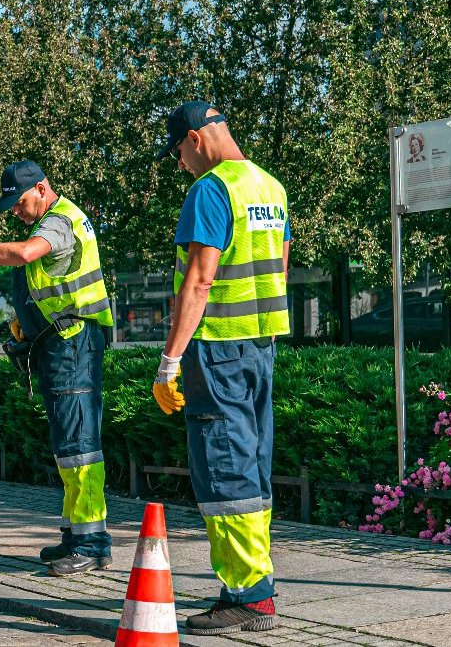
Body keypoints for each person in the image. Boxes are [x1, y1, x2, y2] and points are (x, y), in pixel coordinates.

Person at [153, 102, 290, 633]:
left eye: (179, 154)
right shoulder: (270, 187)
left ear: (195, 139)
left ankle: (249, 595)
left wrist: (170, 360)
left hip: (218, 349)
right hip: (260, 347)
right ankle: (254, 585)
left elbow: (200, 281)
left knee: (224, 464)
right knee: (253, 462)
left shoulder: (211, 190)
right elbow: (277, 267)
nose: (181, 164)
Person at [0, 160, 114, 576]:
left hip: (73, 344)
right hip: (61, 343)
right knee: (68, 444)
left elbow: (25, 254)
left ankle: (91, 543)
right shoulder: (51, 221)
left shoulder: (59, 222)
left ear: (41, 188)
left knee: (79, 444)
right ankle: (76, 536)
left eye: (19, 202)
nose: (15, 210)